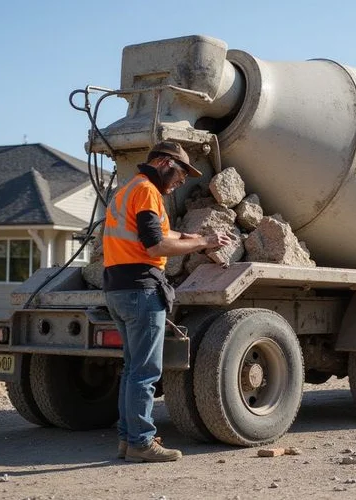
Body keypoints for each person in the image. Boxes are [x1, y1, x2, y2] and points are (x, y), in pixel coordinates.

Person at [103, 141, 232, 463]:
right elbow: (155, 246)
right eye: (180, 172)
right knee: (145, 372)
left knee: (133, 370)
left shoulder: (128, 190)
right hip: (141, 289)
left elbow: (154, 233)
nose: (182, 181)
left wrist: (190, 239)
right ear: (163, 163)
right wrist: (203, 241)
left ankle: (128, 439)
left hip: (118, 288)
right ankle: (141, 442)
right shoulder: (147, 191)